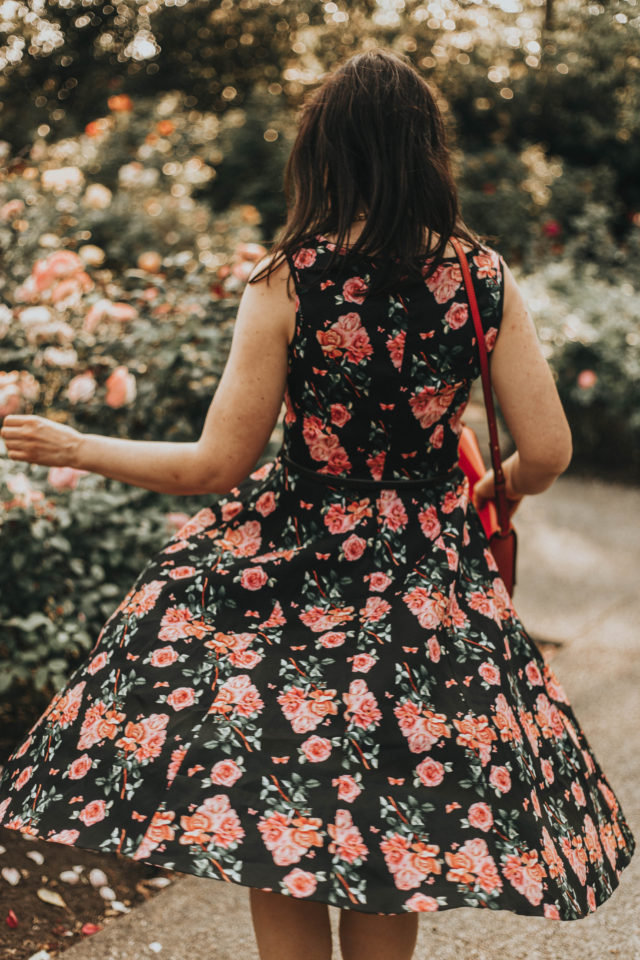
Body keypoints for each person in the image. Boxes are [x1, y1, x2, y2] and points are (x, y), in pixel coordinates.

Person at [0, 47, 635, 960]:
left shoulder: (290, 281)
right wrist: (489, 496)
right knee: (390, 822)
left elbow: (216, 466)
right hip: (426, 581)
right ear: (426, 151)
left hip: (290, 576)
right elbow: (551, 450)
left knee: (280, 823)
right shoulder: (479, 278)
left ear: (326, 154)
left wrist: (77, 446)